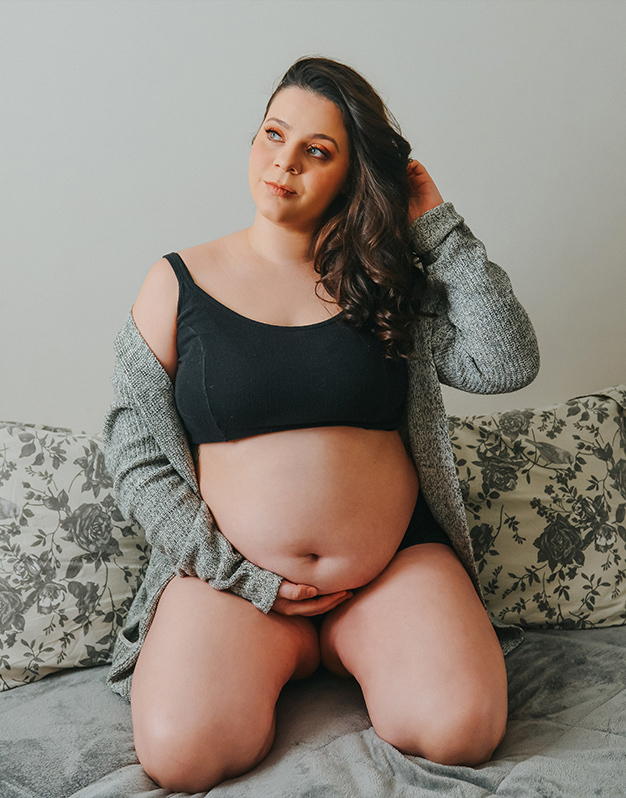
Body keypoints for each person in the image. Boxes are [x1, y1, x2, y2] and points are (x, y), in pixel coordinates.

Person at [103, 56, 539, 793]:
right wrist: (239, 577)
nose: (285, 162)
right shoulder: (176, 282)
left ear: (351, 173)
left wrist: (435, 225)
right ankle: (291, 650)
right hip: (232, 584)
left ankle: (348, 643)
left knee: (460, 730)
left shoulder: (385, 282)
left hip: (388, 572)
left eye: (317, 150)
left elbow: (505, 362)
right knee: (182, 755)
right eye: (274, 135)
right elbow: (135, 456)